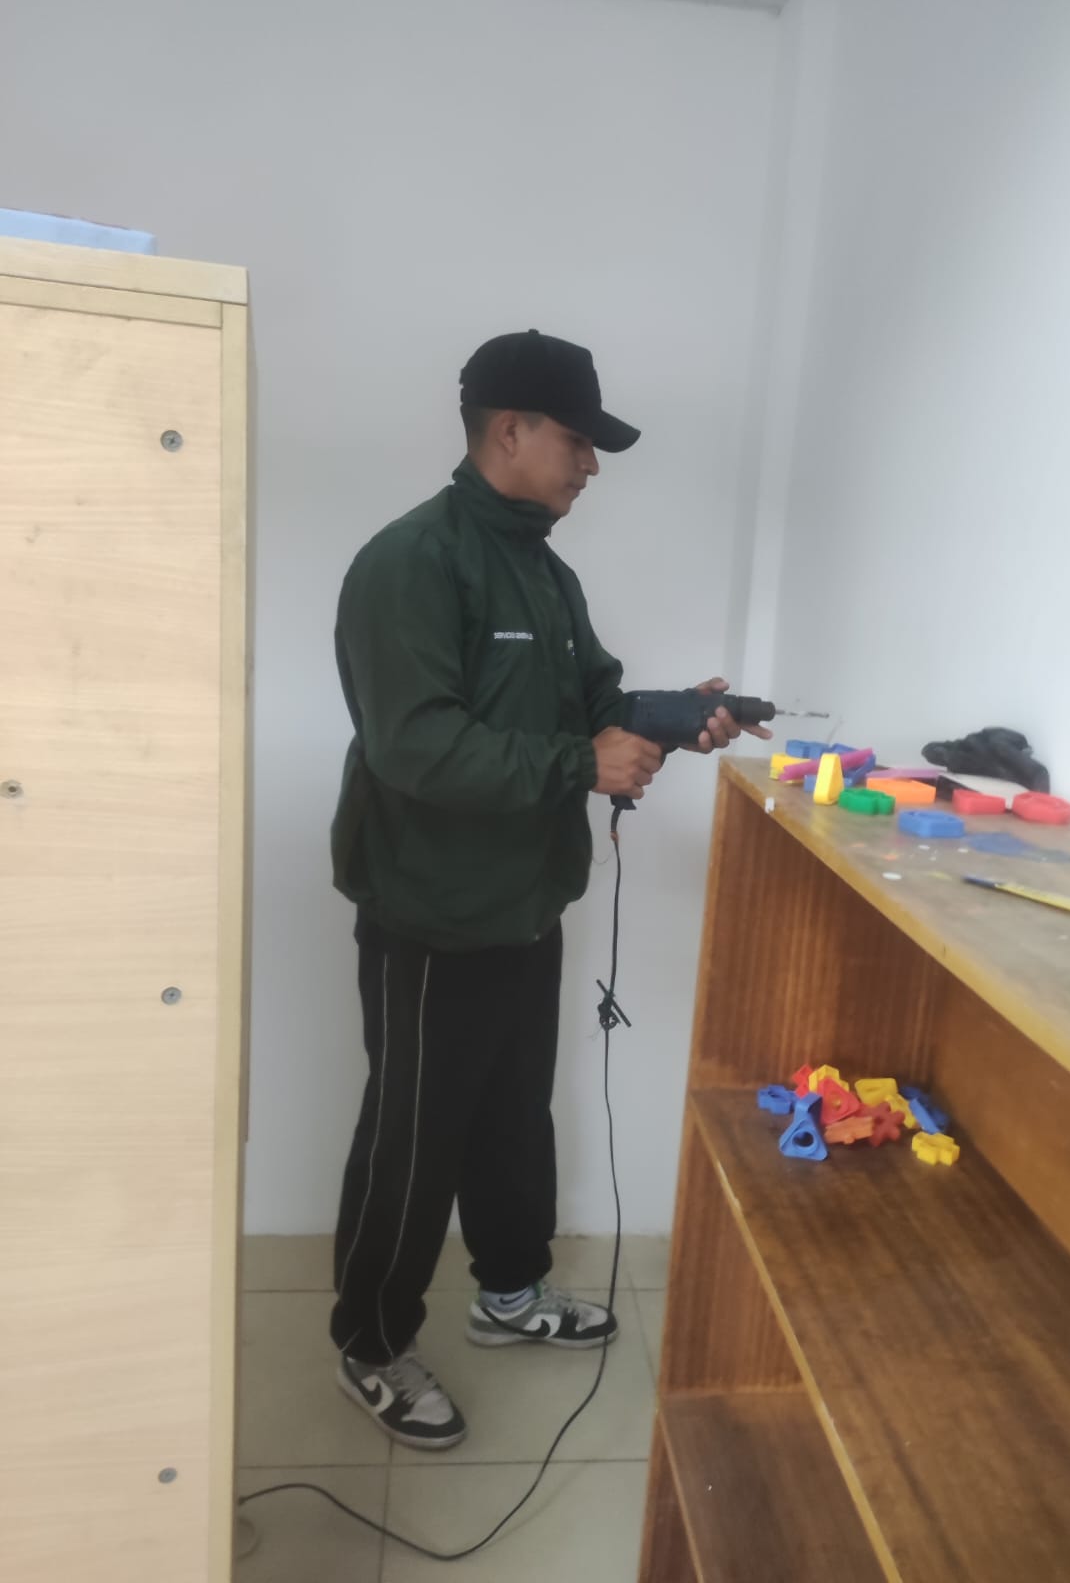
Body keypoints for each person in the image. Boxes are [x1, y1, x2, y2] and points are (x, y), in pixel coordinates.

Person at [327, 329, 768, 1450]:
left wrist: (679, 715)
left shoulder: (544, 570)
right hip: (431, 910)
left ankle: (510, 1293)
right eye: (578, 440)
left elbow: (593, 701)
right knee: (414, 1135)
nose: (590, 464)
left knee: (513, 1114)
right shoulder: (410, 563)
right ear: (510, 431)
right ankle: (370, 1343)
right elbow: (414, 746)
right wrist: (582, 761)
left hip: (527, 901)